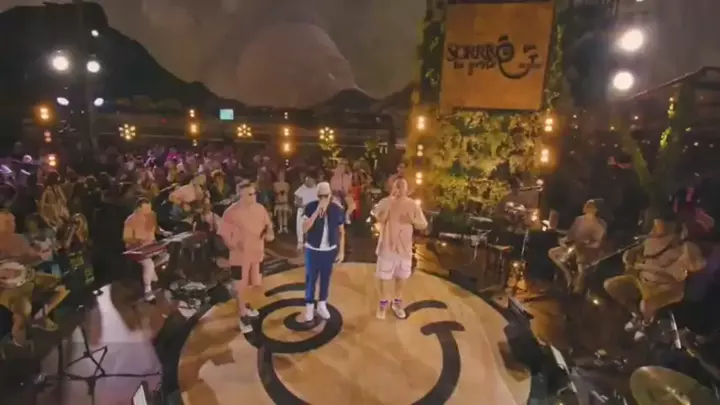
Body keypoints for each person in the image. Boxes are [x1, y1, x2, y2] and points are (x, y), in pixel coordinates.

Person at [604, 216, 705, 340]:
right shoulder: (651, 240)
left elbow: (697, 266)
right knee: (611, 285)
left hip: (665, 288)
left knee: (646, 305)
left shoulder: (685, 248)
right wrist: (630, 255)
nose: (656, 228)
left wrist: (684, 255)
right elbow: (633, 254)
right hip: (642, 279)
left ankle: (645, 324)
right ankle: (636, 315)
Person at [0, 211, 68, 346]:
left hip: (28, 277)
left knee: (63, 286)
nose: (12, 225)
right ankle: (18, 340)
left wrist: (40, 256)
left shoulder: (18, 239)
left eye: (13, 221)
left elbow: (30, 259)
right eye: (7, 222)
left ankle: (41, 316)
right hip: (6, 290)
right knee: (23, 311)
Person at [218, 182, 274, 333]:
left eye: (254, 193)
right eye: (250, 194)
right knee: (240, 287)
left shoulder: (260, 208)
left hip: (257, 255)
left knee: (252, 284)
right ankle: (242, 315)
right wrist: (234, 245)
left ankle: (246, 306)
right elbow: (224, 234)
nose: (253, 196)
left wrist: (269, 233)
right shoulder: (231, 212)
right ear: (240, 195)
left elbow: (268, 226)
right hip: (240, 258)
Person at [372, 178, 427, 319]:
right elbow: (379, 219)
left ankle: (396, 303)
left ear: (407, 189)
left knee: (401, 278)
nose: (399, 189)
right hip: (387, 248)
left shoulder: (412, 205)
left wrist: (412, 220)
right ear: (393, 187)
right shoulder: (385, 202)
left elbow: (423, 224)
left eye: (402, 186)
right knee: (384, 278)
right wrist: (390, 203)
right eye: (397, 186)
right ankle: (383, 304)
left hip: (405, 250)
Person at [301, 182, 345, 322]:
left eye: (326, 196)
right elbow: (304, 228)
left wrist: (341, 251)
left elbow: (342, 232)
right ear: (317, 196)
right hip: (313, 249)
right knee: (311, 279)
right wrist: (316, 213)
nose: (323, 199)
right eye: (321, 196)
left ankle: (322, 304)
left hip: (329, 250)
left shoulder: (336, 210)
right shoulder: (310, 207)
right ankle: (309, 306)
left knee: (325, 278)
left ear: (330, 195)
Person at [548, 199, 607, 293]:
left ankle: (578, 286)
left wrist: (586, 244)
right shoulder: (579, 220)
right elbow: (570, 235)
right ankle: (568, 274)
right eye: (586, 205)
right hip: (574, 248)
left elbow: (598, 243)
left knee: (581, 261)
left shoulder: (601, 224)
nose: (585, 207)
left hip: (589, 251)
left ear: (596, 209)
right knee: (553, 252)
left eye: (589, 206)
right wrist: (563, 241)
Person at [123, 198, 169, 301]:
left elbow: (156, 228)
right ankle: (147, 290)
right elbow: (127, 238)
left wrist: (163, 232)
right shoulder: (130, 220)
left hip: (151, 245)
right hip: (136, 248)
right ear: (138, 209)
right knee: (149, 264)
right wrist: (138, 241)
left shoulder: (151, 215)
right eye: (145, 209)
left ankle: (151, 271)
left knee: (167, 255)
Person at [294, 175, 318, 251]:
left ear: (313, 180)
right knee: (300, 226)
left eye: (309, 180)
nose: (307, 182)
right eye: (306, 181)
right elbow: (296, 200)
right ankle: (300, 243)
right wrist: (302, 205)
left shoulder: (317, 188)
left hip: (313, 210)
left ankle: (311, 242)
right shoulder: (301, 189)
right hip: (303, 210)